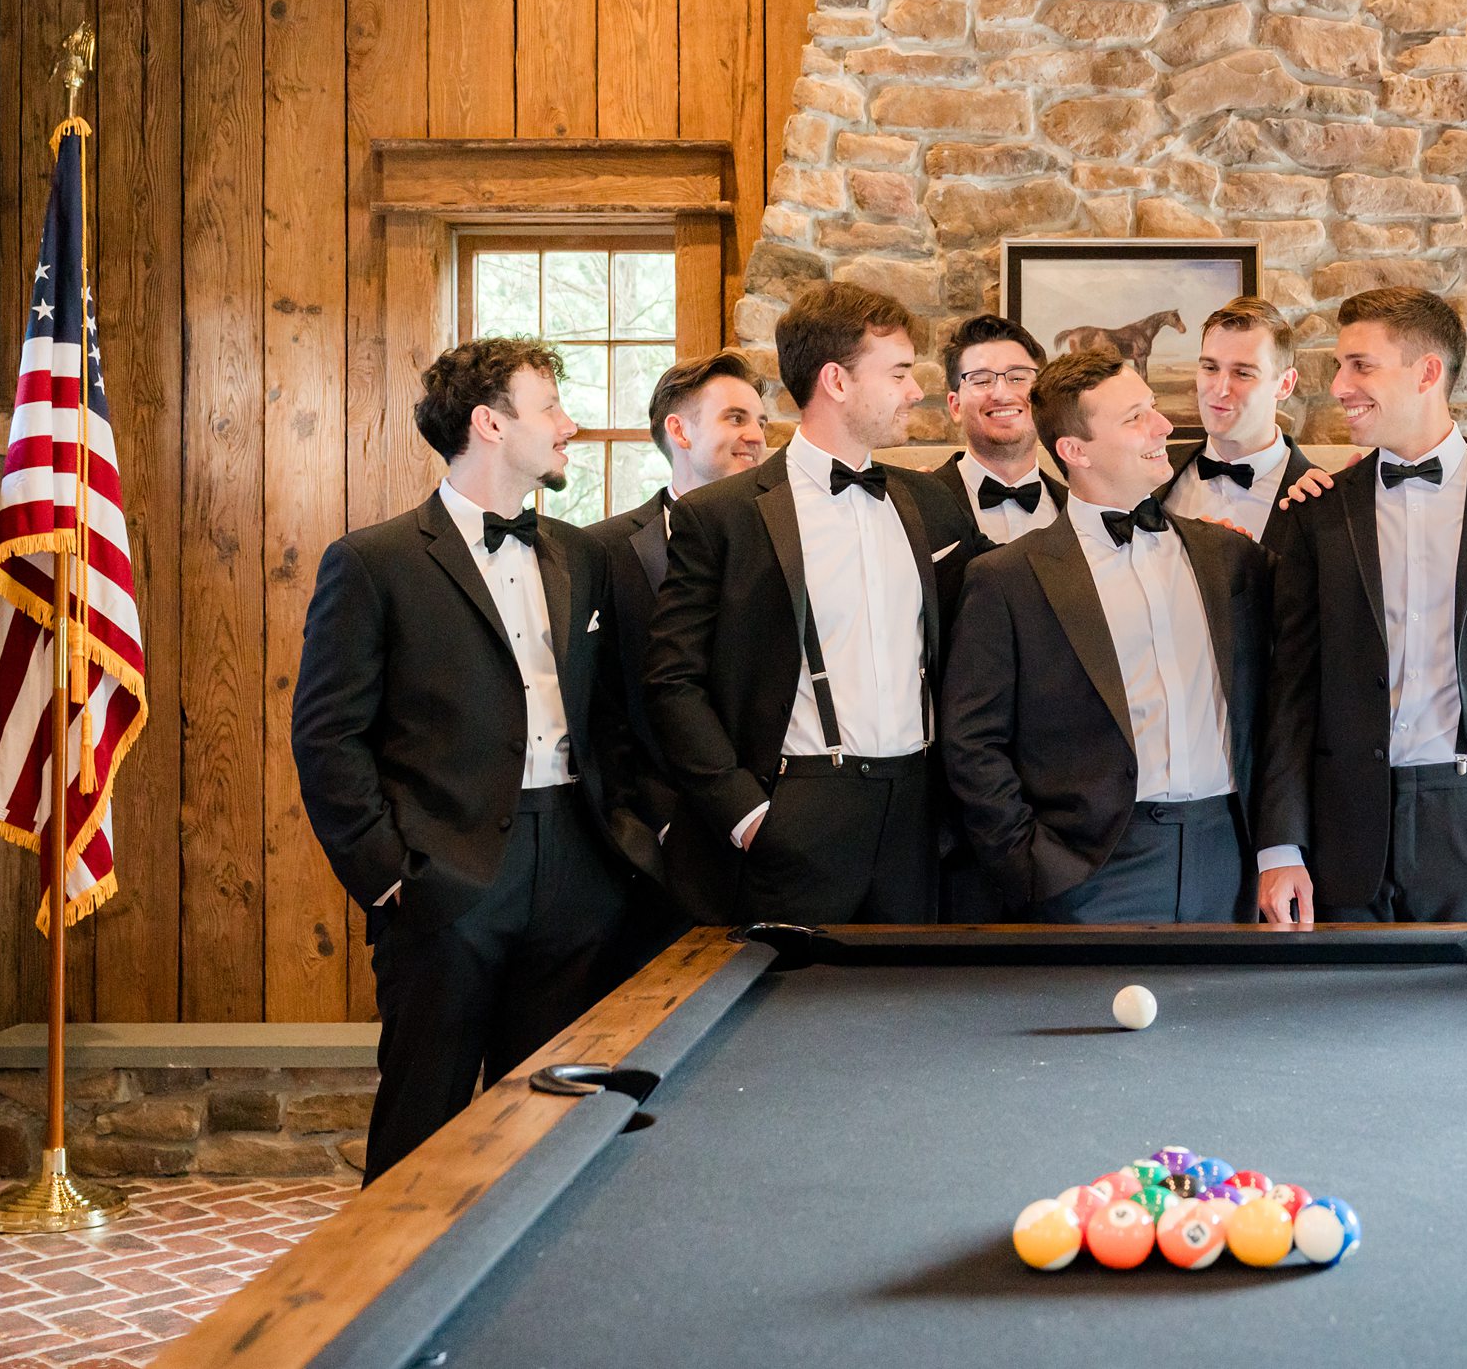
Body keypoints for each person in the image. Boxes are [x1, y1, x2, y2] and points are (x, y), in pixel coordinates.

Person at [292, 337, 641, 1181]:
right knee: (423, 1124)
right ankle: (396, 1268)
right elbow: (327, 737)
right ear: (490, 423)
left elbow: (612, 716)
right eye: (550, 407)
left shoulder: (582, 554)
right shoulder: (374, 562)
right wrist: (390, 876)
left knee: (552, 1125)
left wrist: (615, 850)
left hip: (575, 868)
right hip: (442, 879)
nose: (569, 424)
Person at [1255, 287, 1467, 924]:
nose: (1339, 387)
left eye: (1361, 365)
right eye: (1340, 366)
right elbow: (1290, 691)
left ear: (1427, 372)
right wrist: (1280, 845)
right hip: (1344, 832)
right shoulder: (1318, 511)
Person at [645, 281, 984, 925]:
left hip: (916, 814)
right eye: (899, 373)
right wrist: (745, 814)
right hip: (794, 807)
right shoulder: (722, 516)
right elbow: (672, 681)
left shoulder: (931, 502)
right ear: (836, 380)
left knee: (907, 989)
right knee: (788, 988)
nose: (914, 392)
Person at [943, 351, 1271, 923]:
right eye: (1135, 417)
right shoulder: (1007, 579)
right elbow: (973, 743)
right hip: (1087, 871)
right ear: (1076, 451)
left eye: (1153, 408)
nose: (1163, 426)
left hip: (1229, 857)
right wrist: (1031, 863)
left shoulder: (1230, 557)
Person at [589, 348, 770, 937]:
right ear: (680, 430)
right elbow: (597, 705)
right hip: (659, 848)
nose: (756, 436)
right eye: (736, 418)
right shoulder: (602, 551)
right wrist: (656, 824)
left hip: (773, 828)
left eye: (761, 421)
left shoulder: (787, 544)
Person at [1156, 297, 1317, 554]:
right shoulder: (1153, 473)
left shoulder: (1323, 501)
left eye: (1243, 373)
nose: (1220, 389)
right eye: (1210, 367)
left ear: (1285, 384)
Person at [932, 314, 1066, 543]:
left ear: (1043, 396)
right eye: (982, 380)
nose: (1002, 394)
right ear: (955, 406)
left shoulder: (1075, 510)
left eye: (1018, 378)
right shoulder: (919, 504)